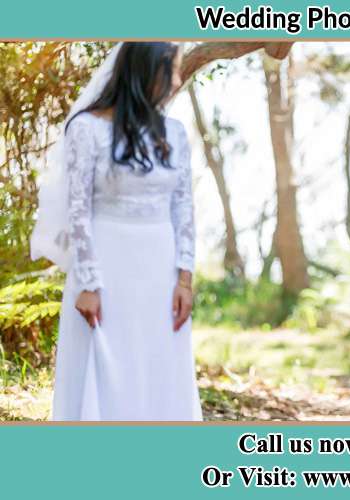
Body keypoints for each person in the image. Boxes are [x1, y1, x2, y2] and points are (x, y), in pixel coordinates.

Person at [45, 42, 202, 420]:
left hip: (160, 268)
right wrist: (87, 282)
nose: (178, 81)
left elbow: (183, 208)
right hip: (105, 265)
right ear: (145, 74)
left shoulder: (175, 134)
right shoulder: (86, 128)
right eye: (173, 71)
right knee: (106, 366)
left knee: (158, 364)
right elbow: (78, 210)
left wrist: (184, 278)